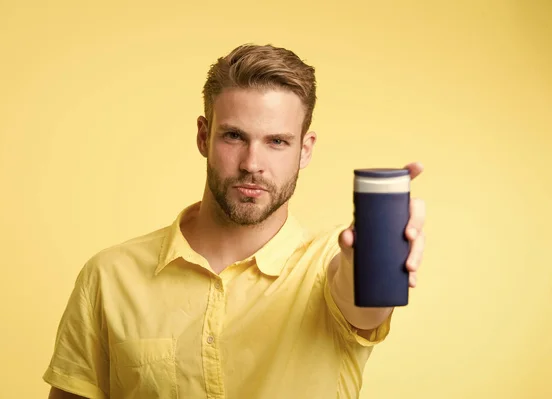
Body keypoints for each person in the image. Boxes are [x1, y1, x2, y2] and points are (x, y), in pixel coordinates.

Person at [43, 43, 426, 399]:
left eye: (277, 141)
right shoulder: (110, 276)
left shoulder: (331, 265)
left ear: (304, 150)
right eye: (233, 136)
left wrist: (374, 255)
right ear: (203, 136)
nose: (251, 164)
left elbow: (364, 305)